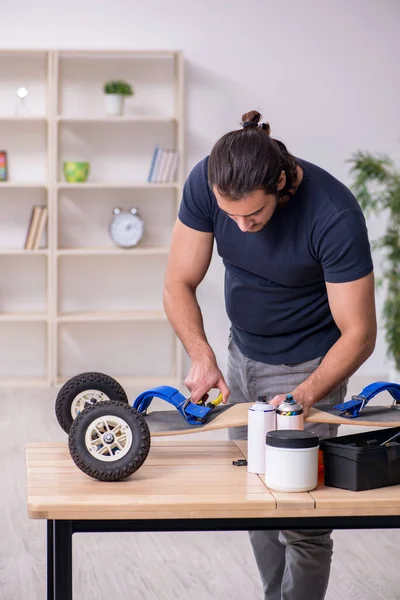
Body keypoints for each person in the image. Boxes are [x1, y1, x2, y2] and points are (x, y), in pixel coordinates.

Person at [162, 110, 377, 600]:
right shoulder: (206, 182)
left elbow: (360, 334)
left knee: (302, 514)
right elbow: (177, 282)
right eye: (231, 217)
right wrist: (202, 355)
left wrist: (304, 395)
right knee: (256, 498)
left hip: (311, 367)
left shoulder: (333, 214)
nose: (241, 227)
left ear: (280, 182)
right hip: (242, 356)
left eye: (253, 215)